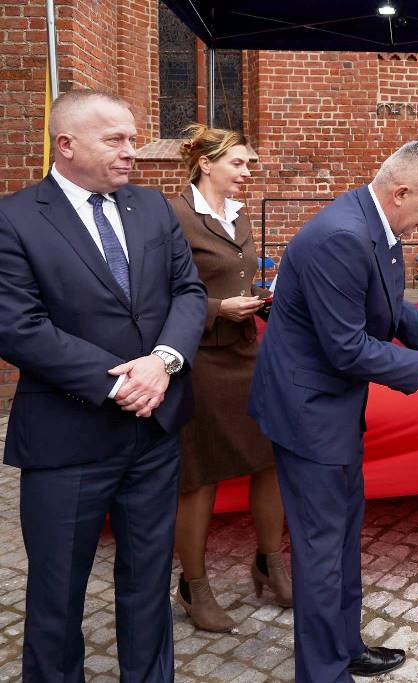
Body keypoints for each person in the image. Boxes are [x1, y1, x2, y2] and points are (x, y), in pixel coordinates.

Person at [0, 90, 207, 681]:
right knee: (57, 595)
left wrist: (163, 362)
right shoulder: (14, 218)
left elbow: (188, 291)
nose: (131, 152)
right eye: (115, 140)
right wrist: (117, 384)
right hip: (67, 440)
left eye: (133, 139)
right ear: (66, 145)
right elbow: (17, 326)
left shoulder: (151, 206)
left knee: (148, 583)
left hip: (154, 435)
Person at [248, 140, 418, 683]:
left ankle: (344, 647)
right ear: (401, 192)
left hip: (334, 409)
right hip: (308, 412)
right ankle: (323, 672)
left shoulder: (377, 226)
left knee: (342, 537)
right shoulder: (342, 237)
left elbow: (386, 309)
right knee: (321, 549)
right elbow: (345, 347)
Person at [168, 123, 291, 633]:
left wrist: (264, 299)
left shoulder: (238, 216)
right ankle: (193, 586)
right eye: (238, 163)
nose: (246, 172)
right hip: (201, 361)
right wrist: (219, 308)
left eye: (248, 164)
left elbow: (237, 276)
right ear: (206, 164)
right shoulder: (175, 216)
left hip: (246, 354)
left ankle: (269, 563)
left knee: (270, 459)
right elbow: (163, 293)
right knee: (201, 476)